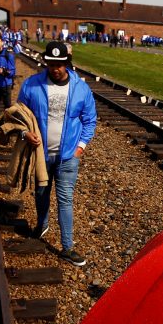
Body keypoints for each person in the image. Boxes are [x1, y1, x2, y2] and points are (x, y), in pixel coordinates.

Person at [17, 41, 97, 267]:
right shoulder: (32, 86)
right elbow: (17, 117)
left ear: (67, 64)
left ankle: (67, 247)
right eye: (51, 63)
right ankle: (41, 225)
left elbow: (90, 120)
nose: (55, 68)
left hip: (68, 157)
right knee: (41, 194)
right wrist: (24, 134)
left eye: (60, 64)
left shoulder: (81, 89)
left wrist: (80, 147)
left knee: (65, 200)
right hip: (40, 155)